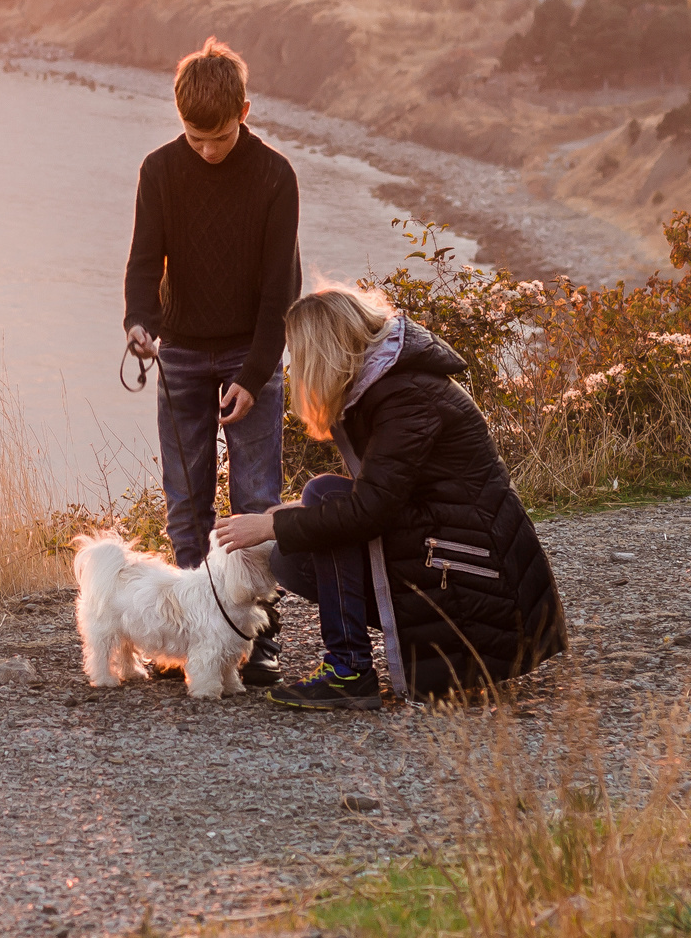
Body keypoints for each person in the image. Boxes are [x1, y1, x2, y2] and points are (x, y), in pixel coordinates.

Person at [220, 283, 567, 709]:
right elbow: (386, 494)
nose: (295, 367)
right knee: (302, 531)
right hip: (462, 560)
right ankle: (350, 665)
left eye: (298, 354)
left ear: (324, 350)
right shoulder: (387, 384)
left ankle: (348, 671)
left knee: (323, 500)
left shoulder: (405, 395)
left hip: (481, 586)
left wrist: (270, 523)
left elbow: (369, 511)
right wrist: (291, 513)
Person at [122, 38, 313, 685]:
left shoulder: (274, 176)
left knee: (256, 498)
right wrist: (139, 323)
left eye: (221, 137)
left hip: (248, 351)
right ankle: (191, 628)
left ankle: (263, 638)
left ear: (246, 112)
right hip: (178, 350)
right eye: (195, 138)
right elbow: (146, 262)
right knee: (187, 499)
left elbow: (279, 291)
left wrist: (255, 376)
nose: (207, 150)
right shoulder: (159, 171)